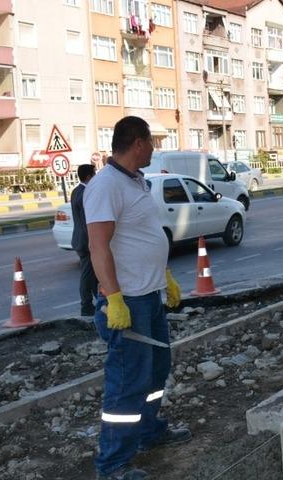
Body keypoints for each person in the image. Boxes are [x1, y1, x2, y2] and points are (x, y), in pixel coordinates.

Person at [85, 116, 191, 480]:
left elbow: (142, 235)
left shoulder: (136, 181)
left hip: (150, 296)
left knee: (156, 371)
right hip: (127, 301)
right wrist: (113, 298)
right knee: (127, 383)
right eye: (151, 141)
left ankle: (147, 432)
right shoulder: (106, 185)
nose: (154, 147)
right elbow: (98, 247)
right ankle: (113, 465)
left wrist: (164, 275)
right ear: (137, 143)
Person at [71, 164, 98, 317]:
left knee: (93, 274)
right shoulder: (85, 194)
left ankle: (99, 301)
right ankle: (86, 306)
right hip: (85, 241)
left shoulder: (77, 191)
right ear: (88, 177)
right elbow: (87, 221)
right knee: (87, 275)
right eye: (94, 174)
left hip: (81, 239)